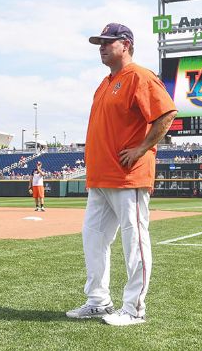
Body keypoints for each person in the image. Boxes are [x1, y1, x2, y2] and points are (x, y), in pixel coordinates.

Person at [66, 23, 177, 327]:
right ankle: (99, 301)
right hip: (100, 178)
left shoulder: (140, 76)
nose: (101, 47)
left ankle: (134, 309)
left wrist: (141, 148)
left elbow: (166, 113)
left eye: (107, 42)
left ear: (125, 44)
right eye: (99, 43)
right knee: (93, 239)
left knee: (135, 241)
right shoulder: (105, 83)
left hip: (128, 176)